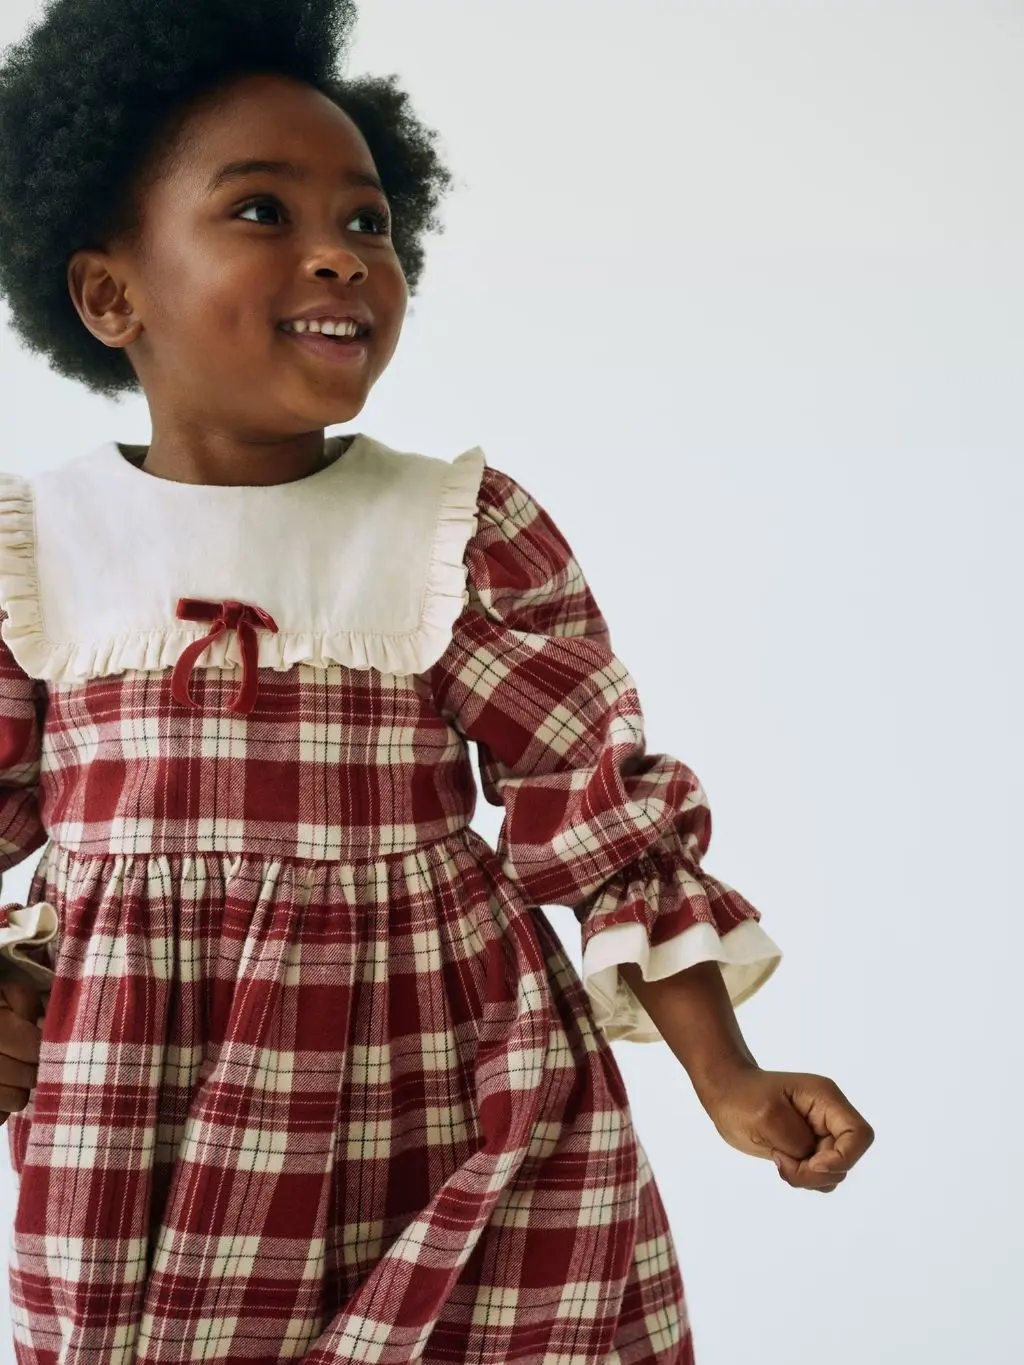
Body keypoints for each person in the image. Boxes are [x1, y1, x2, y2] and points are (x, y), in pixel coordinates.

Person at [0, 0, 874, 1360]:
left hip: (447, 1085)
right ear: (113, 294)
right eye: (260, 215)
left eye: (367, 223)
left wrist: (730, 1077)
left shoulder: (451, 532)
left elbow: (593, 807)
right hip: (145, 1110)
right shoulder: (35, 554)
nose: (341, 260)